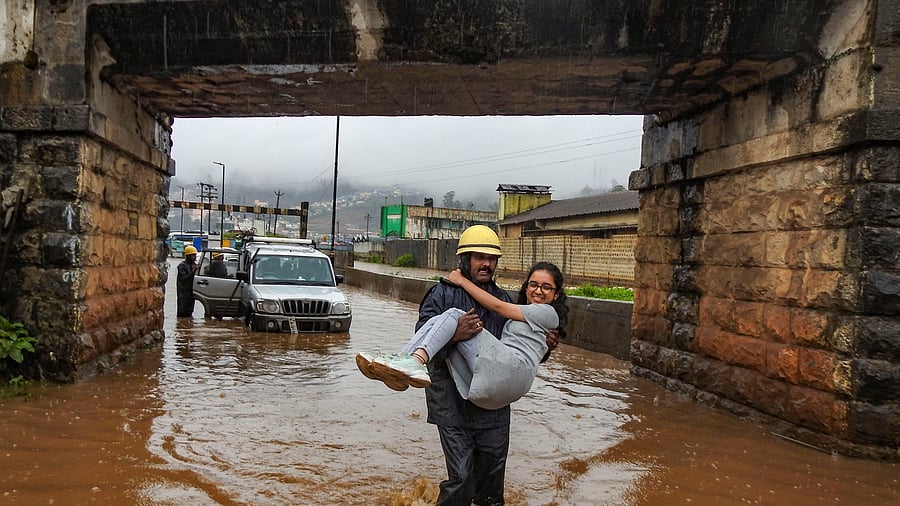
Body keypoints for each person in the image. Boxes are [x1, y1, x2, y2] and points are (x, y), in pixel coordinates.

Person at [360, 225, 559, 506]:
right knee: (462, 478)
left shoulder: (503, 300)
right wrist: (454, 336)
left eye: (491, 259)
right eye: (479, 257)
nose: (486, 264)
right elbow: (423, 336)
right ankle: (403, 366)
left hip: (492, 405)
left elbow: (515, 355)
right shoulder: (441, 295)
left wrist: (546, 347)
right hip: (451, 402)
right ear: (464, 259)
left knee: (491, 488)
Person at [357, 262, 569, 412]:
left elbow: (496, 306)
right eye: (533, 284)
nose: (538, 291)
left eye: (546, 287)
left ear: (556, 294)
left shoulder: (548, 313)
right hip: (502, 386)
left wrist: (460, 280)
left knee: (455, 314)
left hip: (513, 370)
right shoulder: (527, 314)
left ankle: (414, 361)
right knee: (441, 322)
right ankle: (400, 368)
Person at [176, 245, 200, 317]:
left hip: (191, 291)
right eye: (193, 255)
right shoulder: (182, 266)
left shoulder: (194, 265)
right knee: (182, 312)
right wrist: (193, 272)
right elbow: (183, 279)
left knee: (190, 311)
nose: (194, 257)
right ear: (188, 256)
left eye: (195, 255)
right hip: (183, 292)